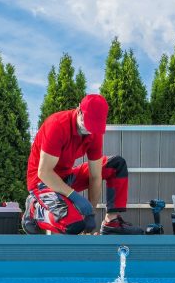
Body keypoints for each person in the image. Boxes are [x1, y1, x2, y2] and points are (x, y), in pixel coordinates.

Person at [23, 94, 143, 235]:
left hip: (66, 177)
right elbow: (44, 172)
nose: (90, 130)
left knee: (116, 165)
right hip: (42, 182)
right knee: (74, 225)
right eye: (88, 123)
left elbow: (95, 175)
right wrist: (74, 196)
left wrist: (90, 212)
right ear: (79, 110)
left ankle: (112, 222)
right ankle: (35, 211)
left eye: (94, 126)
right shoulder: (57, 125)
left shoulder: (94, 131)